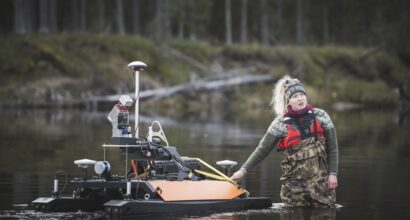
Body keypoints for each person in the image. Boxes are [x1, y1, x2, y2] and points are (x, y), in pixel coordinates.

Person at [231, 75, 339, 208]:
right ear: (288, 102)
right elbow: (262, 150)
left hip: (321, 184)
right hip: (293, 187)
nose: (300, 98)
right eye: (295, 96)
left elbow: (333, 148)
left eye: (301, 94)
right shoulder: (279, 124)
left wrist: (333, 174)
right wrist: (243, 171)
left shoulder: (322, 116)